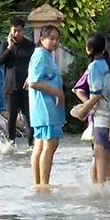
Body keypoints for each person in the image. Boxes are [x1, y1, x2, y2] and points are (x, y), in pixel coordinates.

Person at [71, 33, 110, 190]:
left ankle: (100, 190)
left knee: (99, 153)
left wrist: (83, 110)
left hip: (101, 116)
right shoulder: (107, 65)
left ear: (89, 49)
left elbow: (97, 94)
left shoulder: (94, 67)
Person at [26, 25, 66, 189]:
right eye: (51, 38)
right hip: (46, 108)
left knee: (41, 145)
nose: (55, 42)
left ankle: (39, 185)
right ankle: (44, 184)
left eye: (57, 39)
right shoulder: (41, 55)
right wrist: (56, 92)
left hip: (44, 108)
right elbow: (34, 82)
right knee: (50, 144)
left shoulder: (44, 55)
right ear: (42, 39)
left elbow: (32, 78)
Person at [0, 19, 35, 142]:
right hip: (10, 88)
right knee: (12, 117)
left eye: (19, 30)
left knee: (28, 117)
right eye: (14, 30)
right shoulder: (6, 45)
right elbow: (0, 61)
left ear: (23, 30)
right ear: (10, 31)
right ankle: (11, 143)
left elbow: (34, 65)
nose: (16, 33)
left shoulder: (30, 46)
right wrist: (9, 47)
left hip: (26, 87)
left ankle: (31, 144)